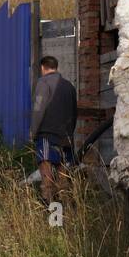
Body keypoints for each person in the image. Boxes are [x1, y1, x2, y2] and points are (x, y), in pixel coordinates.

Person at [30, 55, 77, 203]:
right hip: (66, 139)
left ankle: (51, 217)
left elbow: (38, 109)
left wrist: (33, 131)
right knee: (64, 181)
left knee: (47, 180)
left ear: (43, 68)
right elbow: (74, 113)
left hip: (46, 136)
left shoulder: (43, 83)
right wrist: (69, 134)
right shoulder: (69, 86)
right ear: (56, 67)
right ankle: (66, 217)